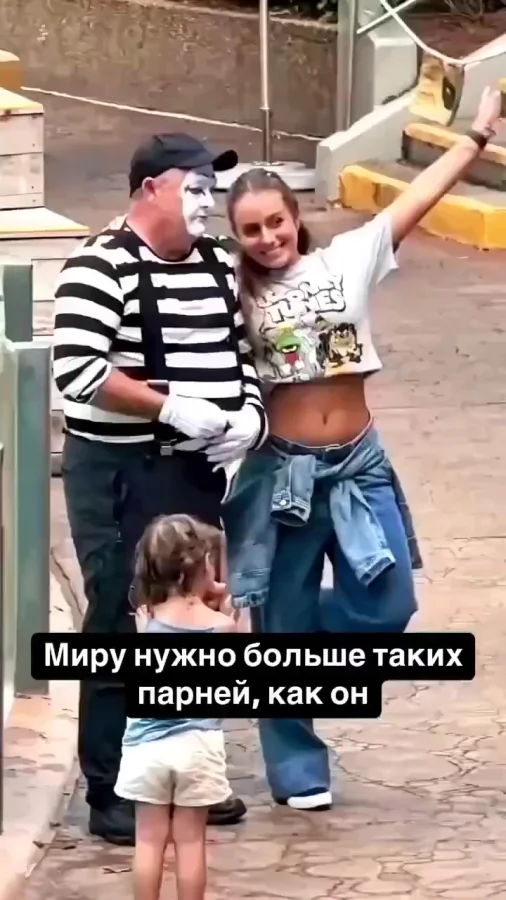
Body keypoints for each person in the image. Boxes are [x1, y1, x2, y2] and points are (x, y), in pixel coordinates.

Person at [218, 86, 502, 810]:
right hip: (282, 475)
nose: (267, 238)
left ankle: (289, 636)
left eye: (275, 221)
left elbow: (422, 196)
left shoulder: (349, 258)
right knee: (279, 630)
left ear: (295, 216)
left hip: (357, 464)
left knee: (387, 606)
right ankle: (298, 767)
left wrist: (476, 135)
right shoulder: (232, 291)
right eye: (250, 229)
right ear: (236, 235)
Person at [52, 132, 268, 845]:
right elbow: (77, 371)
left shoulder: (218, 264)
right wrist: (168, 406)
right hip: (120, 471)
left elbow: (241, 354)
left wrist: (250, 417)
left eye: (213, 188)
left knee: (195, 616)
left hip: (195, 471)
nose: (208, 201)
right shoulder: (100, 264)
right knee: (123, 617)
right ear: (151, 189)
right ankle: (113, 789)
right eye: (194, 187)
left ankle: (189, 778)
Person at [115, 513, 236, 900]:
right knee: (191, 842)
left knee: (148, 842)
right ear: (205, 565)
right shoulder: (221, 627)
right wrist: (225, 608)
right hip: (198, 745)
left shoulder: (147, 620)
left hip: (146, 748)